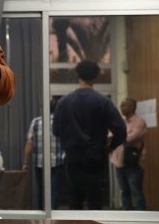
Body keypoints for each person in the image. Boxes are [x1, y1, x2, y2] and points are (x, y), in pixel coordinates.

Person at [53, 61, 126, 210]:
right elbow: (121, 130)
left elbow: (56, 131)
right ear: (96, 77)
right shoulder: (103, 102)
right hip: (97, 158)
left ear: (77, 75)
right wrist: (109, 147)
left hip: (73, 158)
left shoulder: (63, 102)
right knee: (95, 203)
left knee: (74, 201)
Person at [23, 98, 65, 209]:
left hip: (39, 163)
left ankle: (41, 215)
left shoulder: (36, 122)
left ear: (43, 109)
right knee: (54, 190)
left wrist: (25, 162)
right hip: (57, 162)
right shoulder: (60, 122)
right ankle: (54, 215)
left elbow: (29, 143)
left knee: (41, 190)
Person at [109, 98, 147, 210]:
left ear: (132, 107)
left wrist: (116, 137)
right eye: (121, 105)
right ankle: (126, 215)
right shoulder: (123, 121)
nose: (121, 107)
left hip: (132, 163)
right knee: (124, 191)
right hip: (119, 162)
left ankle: (142, 217)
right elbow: (111, 135)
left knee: (136, 191)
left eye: (124, 105)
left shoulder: (139, 122)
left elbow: (130, 138)